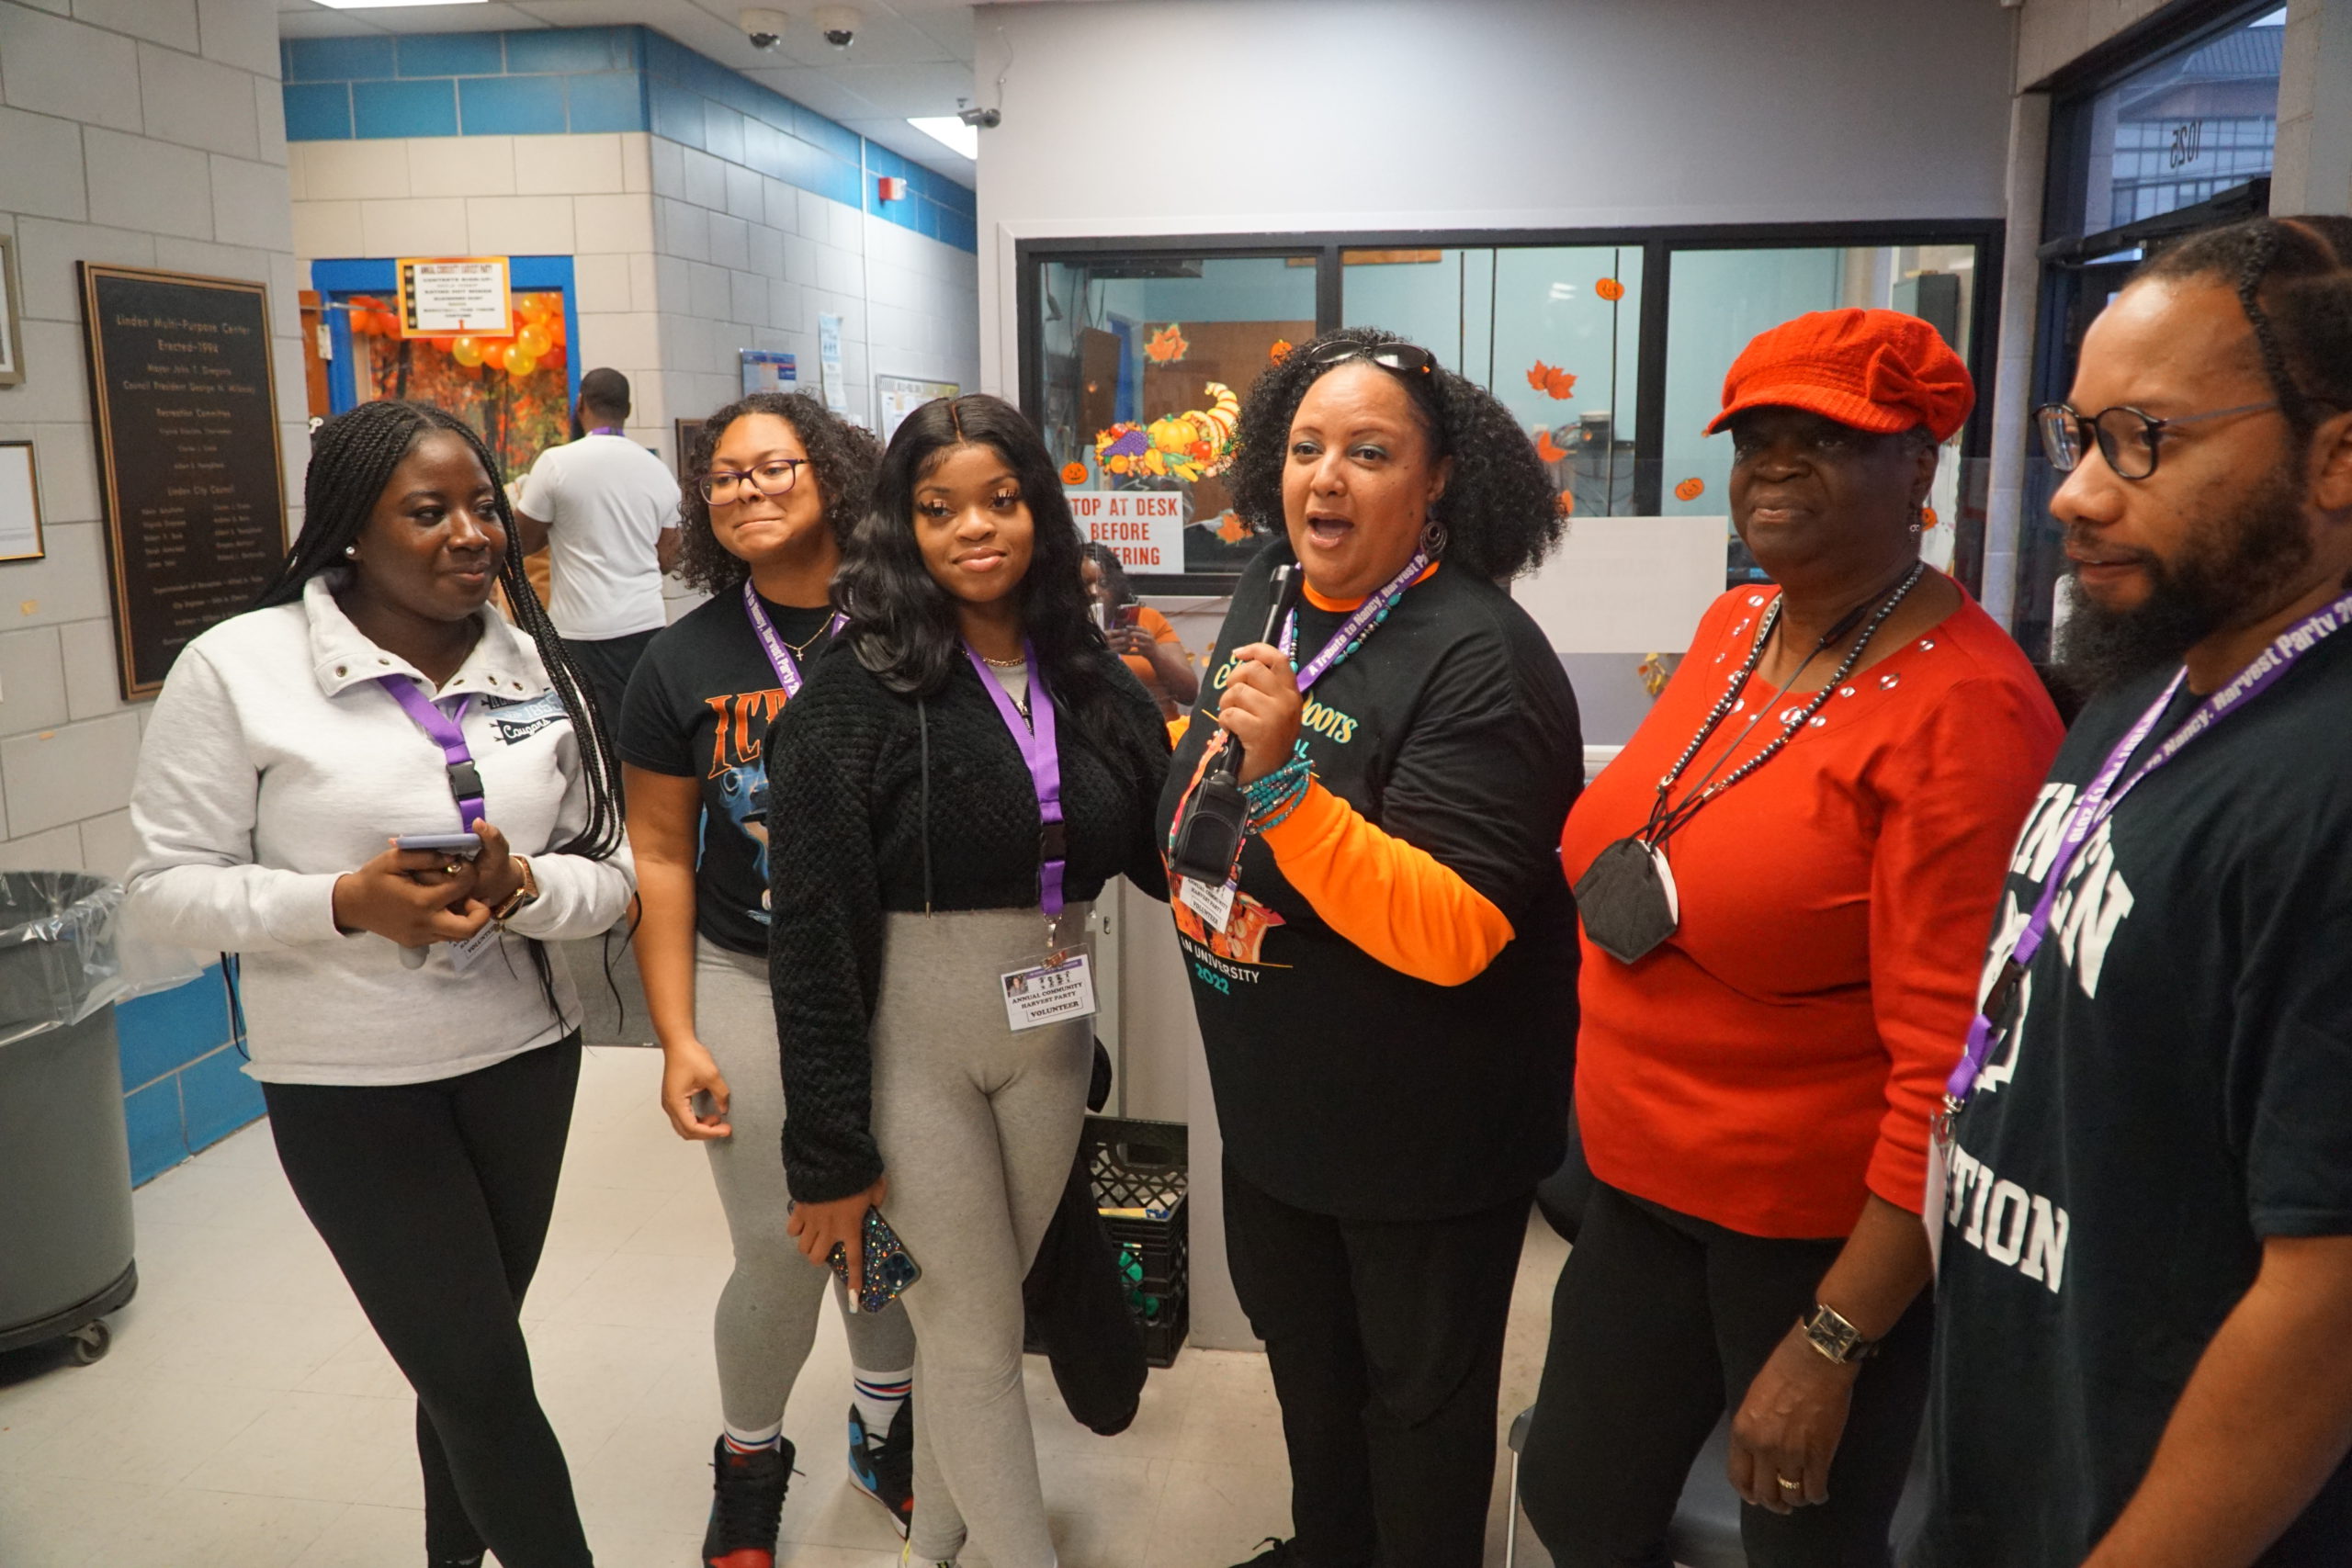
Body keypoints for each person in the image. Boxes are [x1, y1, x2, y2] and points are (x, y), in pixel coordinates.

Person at [1522, 309, 2064, 1568]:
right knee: (1573, 1497)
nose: (1774, 462)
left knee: (1800, 1545)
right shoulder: (1736, 629)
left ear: (1918, 465)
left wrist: (1832, 1340)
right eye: (1755, 436)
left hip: (1813, 1240)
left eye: (1826, 438)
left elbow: (1954, 1077)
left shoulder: (1968, 711)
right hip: (1640, 1191)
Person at [124, 400, 636, 1568]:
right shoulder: (241, 668)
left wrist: (521, 887)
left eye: (485, 506)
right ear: (353, 526)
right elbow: (163, 892)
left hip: (522, 1062)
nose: (473, 534)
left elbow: (610, 875)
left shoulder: (534, 664)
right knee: (478, 1373)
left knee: (465, 1361)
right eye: (430, 511)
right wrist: (343, 903)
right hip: (349, 1083)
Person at [1916, 217, 2352, 1568]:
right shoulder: (2145, 685)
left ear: (2337, 459)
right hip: (2032, 1448)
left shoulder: (2326, 779)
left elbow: (2326, 1301)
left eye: (2142, 440)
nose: (2075, 495)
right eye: (2080, 436)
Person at [1161, 329, 1583, 1568]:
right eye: (1305, 448)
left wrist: (1284, 781)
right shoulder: (1274, 589)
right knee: (1313, 1388)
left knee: (1416, 1420)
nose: (1325, 478)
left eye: (1369, 452)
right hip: (1278, 1117)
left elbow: (1453, 931)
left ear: (1439, 478)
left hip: (1420, 1146)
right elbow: (1219, 769)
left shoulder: (1481, 656)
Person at [764, 394, 1170, 1568]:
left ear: (1040, 512)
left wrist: (1233, 752)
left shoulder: (1089, 678)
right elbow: (813, 945)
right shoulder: (851, 697)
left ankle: (931, 1538)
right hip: (914, 1056)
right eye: (940, 509)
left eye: (1001, 501)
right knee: (982, 1337)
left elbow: (1161, 852)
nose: (975, 529)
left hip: (1051, 1042)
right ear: (902, 527)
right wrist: (828, 1154)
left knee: (966, 1327)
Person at [616, 390, 919, 1560]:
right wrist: (677, 1034)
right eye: (723, 477)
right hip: (748, 972)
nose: (745, 490)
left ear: (832, 475)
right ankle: (748, 1462)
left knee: (888, 1232)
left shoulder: (907, 620)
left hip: (899, 977)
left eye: (773, 466)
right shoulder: (682, 659)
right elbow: (659, 854)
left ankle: (883, 1431)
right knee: (782, 1246)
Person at [516, 367, 684, 723]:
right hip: (645, 627)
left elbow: (522, 542)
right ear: (629, 409)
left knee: (589, 731)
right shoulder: (658, 469)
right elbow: (668, 558)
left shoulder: (556, 463)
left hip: (579, 634)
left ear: (581, 404)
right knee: (642, 727)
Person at [1080, 540, 1198, 719]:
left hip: (1164, 726)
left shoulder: (1148, 619)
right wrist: (1100, 655)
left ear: (1116, 585)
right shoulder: (1066, 628)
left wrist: (1154, 652)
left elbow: (1189, 694)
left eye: (1103, 583)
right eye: (1084, 584)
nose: (1094, 591)